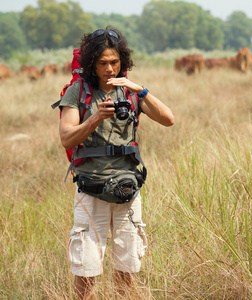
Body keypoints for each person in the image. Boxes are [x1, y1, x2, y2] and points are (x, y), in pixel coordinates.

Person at [59, 26, 174, 298]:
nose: (109, 68)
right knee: (86, 270)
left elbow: (169, 119)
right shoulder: (78, 92)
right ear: (91, 64)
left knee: (127, 266)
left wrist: (141, 90)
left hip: (127, 190)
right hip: (91, 190)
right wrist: (95, 117)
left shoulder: (132, 92)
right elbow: (66, 138)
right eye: (102, 63)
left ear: (123, 60)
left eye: (115, 62)